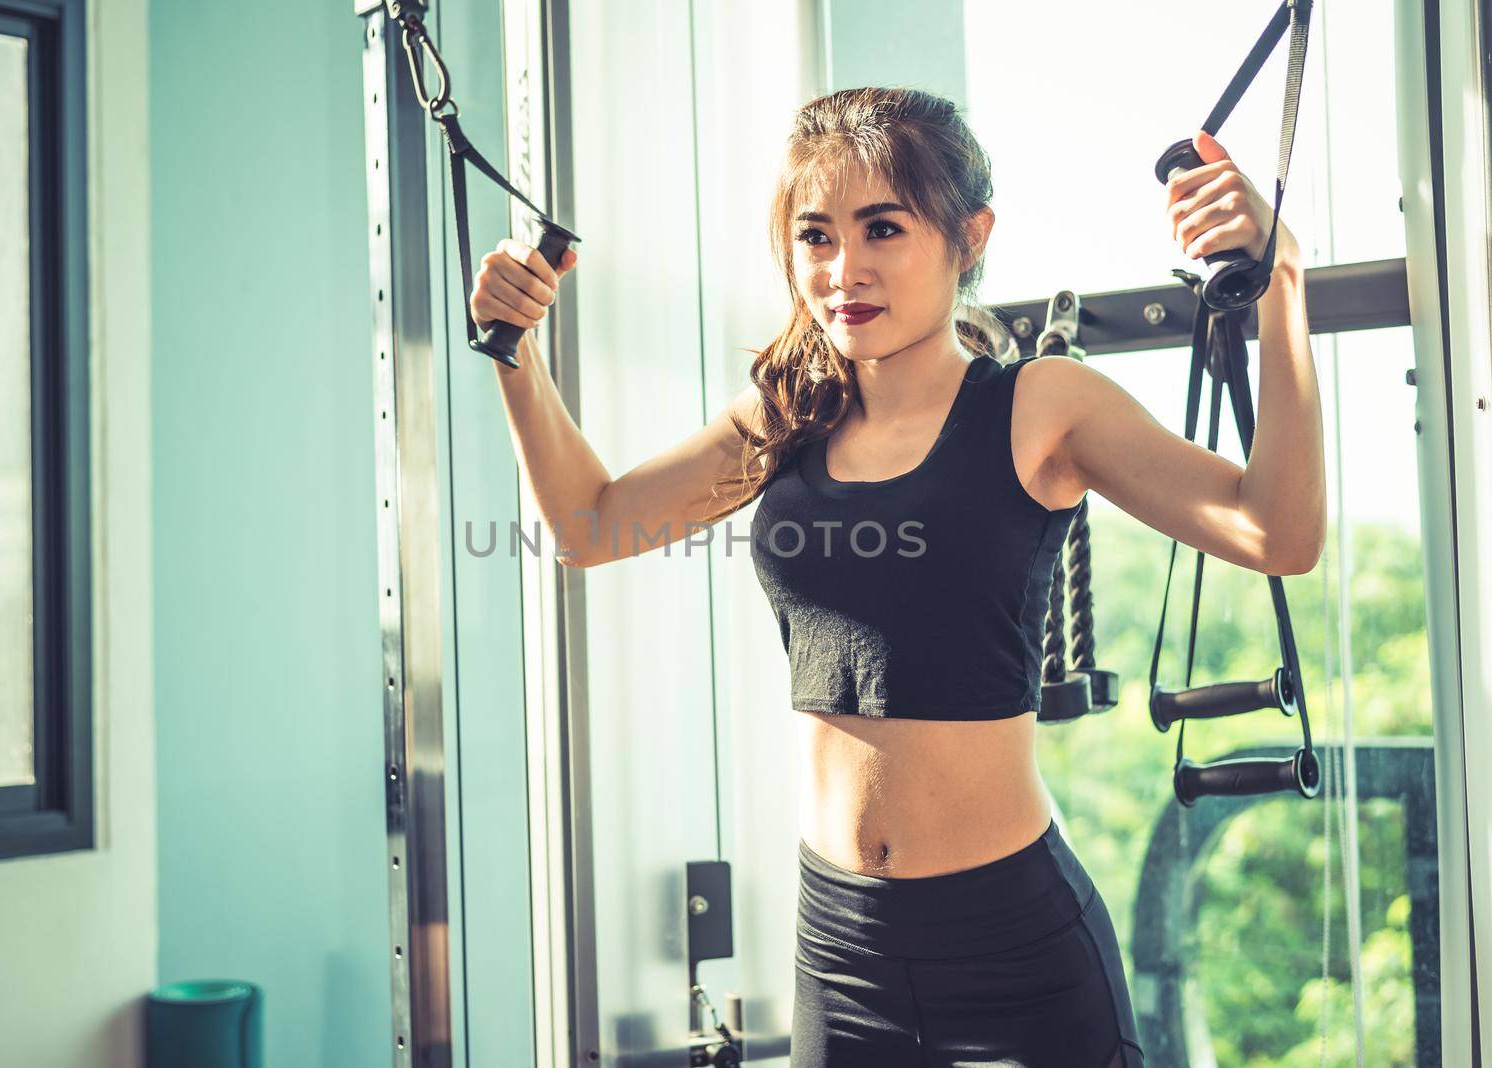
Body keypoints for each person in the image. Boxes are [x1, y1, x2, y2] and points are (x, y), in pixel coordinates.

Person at [471, 86, 1324, 1068]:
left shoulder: (1041, 405)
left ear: (969, 236)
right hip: (841, 950)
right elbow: (591, 525)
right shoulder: (784, 416)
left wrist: (1281, 284)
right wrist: (512, 352)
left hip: (1014, 944)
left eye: (883, 227)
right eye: (816, 235)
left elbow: (1276, 533)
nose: (845, 269)